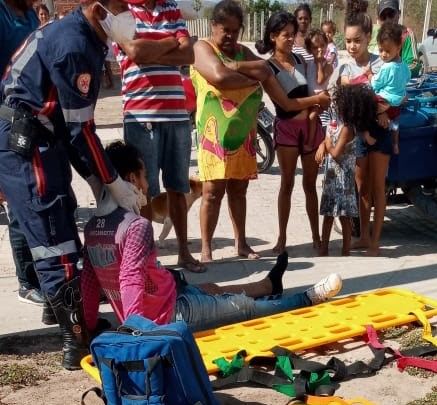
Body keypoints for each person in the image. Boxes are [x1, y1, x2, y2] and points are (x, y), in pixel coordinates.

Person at [0, 0, 142, 370]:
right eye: (124, 7)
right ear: (98, 9)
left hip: (41, 139)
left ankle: (60, 314)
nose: (130, 16)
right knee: (55, 239)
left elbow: (69, 127)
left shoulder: (81, 36)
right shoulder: (75, 44)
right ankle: (77, 340)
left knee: (58, 220)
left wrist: (97, 178)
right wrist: (112, 182)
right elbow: (81, 130)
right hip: (28, 143)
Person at [81, 141, 343, 334]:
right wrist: (135, 333)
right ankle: (306, 298)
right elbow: (130, 280)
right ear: (132, 178)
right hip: (170, 313)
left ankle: (268, 285)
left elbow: (89, 282)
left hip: (169, 294)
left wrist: (90, 325)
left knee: (213, 289)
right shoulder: (136, 226)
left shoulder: (93, 228)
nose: (148, 185)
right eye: (145, 176)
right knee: (244, 308)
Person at [114, 0, 205, 273]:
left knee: (178, 188)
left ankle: (184, 253)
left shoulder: (170, 8)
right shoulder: (122, 11)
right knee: (142, 192)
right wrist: (170, 42)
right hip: (141, 117)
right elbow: (135, 52)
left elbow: (188, 55)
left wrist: (150, 51)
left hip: (177, 116)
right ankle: (145, 259)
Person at [191, 0, 262, 263]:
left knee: (239, 190)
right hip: (213, 137)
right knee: (212, 192)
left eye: (235, 30)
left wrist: (246, 73)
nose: (230, 36)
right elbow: (219, 77)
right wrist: (253, 80)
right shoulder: (201, 48)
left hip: (242, 135)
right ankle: (206, 248)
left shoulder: (244, 53)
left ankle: (241, 243)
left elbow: (266, 70)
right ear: (213, 26)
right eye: (225, 30)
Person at [256, 12, 328, 255]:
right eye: (285, 35)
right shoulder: (268, 68)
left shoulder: (299, 59)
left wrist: (318, 103)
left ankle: (316, 237)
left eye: (292, 34)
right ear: (272, 37)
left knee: (310, 185)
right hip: (286, 129)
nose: (290, 39)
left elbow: (315, 87)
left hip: (310, 128)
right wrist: (317, 99)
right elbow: (286, 105)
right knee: (287, 184)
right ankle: (282, 239)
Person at [0, 0, 45, 306]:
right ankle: (26, 282)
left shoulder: (29, 16)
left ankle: (42, 274)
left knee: (34, 202)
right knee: (16, 206)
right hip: (5, 121)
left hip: (30, 122)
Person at [340, 0, 393, 257]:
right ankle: (363, 236)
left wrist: (383, 110)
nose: (352, 46)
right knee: (361, 188)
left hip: (381, 131)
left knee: (377, 187)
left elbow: (397, 94)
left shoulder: (382, 63)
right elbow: (346, 103)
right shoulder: (346, 67)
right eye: (348, 41)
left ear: (369, 37)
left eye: (357, 40)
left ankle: (375, 241)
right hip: (360, 132)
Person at [316, 85, 376, 256]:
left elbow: (335, 153)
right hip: (333, 176)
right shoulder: (341, 125)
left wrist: (327, 144)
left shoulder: (347, 129)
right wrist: (325, 142)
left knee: (342, 216)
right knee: (331, 215)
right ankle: (327, 248)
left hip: (342, 178)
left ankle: (343, 250)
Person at [366, 22, 410, 155]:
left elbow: (375, 84)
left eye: (387, 51)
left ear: (398, 47)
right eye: (381, 50)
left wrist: (369, 74)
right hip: (397, 102)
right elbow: (408, 78)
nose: (383, 54)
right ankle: (395, 144)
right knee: (395, 122)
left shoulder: (387, 67)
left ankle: (371, 140)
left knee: (371, 112)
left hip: (383, 101)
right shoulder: (404, 65)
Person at [369, 0, 422, 77]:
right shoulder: (370, 33)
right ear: (378, 18)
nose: (387, 20)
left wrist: (392, 71)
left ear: (399, 14)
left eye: (391, 14)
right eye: (383, 16)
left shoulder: (406, 34)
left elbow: (414, 65)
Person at [304, 29, 332, 151]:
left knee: (312, 116)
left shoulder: (328, 65)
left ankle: (310, 143)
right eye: (315, 47)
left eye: (322, 45)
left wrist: (320, 63)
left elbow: (320, 80)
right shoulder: (308, 63)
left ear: (327, 45)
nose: (320, 49)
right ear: (309, 50)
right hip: (310, 98)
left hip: (321, 99)